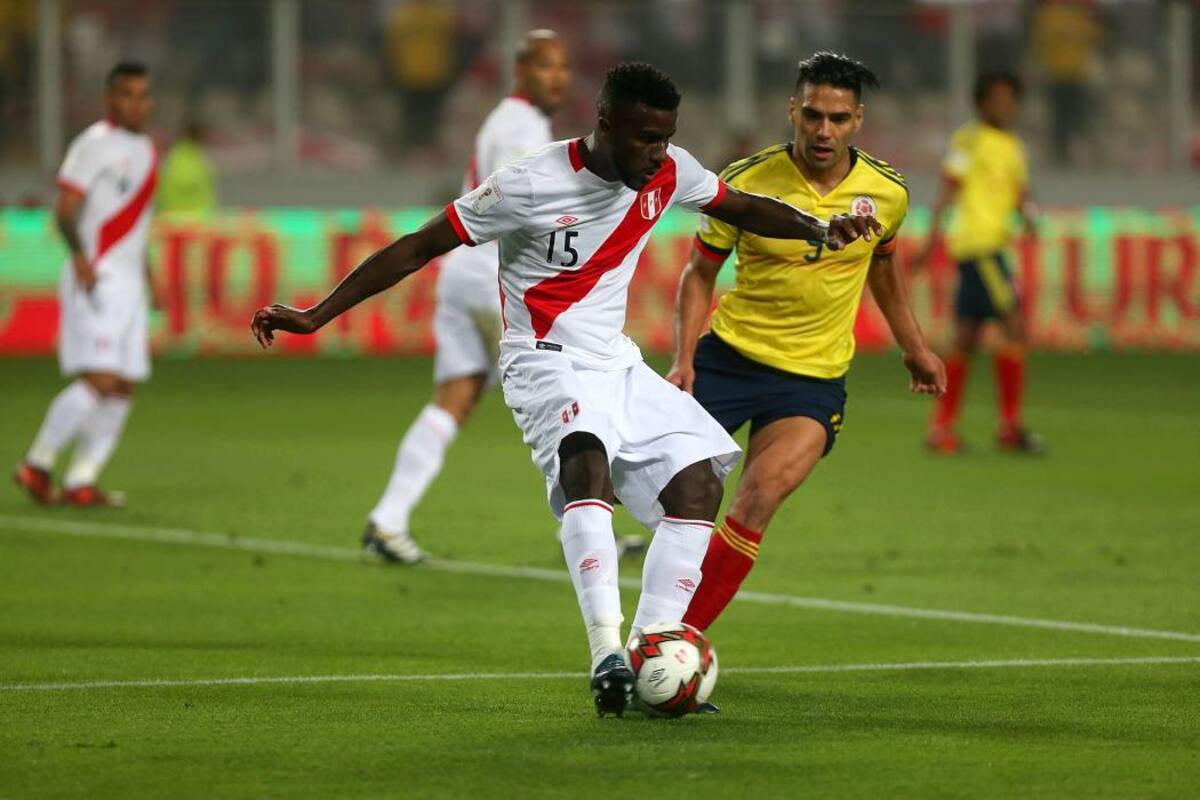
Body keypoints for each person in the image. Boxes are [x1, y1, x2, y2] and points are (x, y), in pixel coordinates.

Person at [251, 62, 880, 716]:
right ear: (605, 123)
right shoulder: (529, 183)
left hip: (616, 360)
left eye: (665, 138)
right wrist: (316, 314)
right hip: (541, 356)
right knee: (588, 459)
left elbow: (742, 206)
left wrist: (816, 227)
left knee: (699, 479)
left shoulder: (668, 171)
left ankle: (653, 646)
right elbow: (418, 246)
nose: (655, 154)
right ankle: (606, 653)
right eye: (643, 138)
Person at [665, 52, 946, 634]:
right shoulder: (746, 181)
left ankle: (675, 640)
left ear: (858, 121)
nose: (823, 131)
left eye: (838, 119)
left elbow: (884, 268)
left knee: (757, 499)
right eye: (813, 114)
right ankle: (650, 601)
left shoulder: (886, 193)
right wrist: (685, 357)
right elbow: (700, 272)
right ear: (792, 110)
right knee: (671, 497)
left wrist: (914, 346)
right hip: (728, 360)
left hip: (812, 380)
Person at [362, 30, 570, 564]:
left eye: (563, 68)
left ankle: (388, 519)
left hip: (461, 272)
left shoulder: (504, 119)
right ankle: (584, 527)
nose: (559, 78)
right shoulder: (522, 127)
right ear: (521, 70)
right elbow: (528, 209)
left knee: (455, 397)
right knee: (561, 396)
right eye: (547, 67)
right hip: (490, 276)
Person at [14, 62, 157, 508]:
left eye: (143, 95)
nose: (137, 103)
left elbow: (138, 224)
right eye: (128, 94)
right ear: (110, 99)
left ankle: (81, 479)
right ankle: (37, 463)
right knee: (101, 378)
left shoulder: (149, 149)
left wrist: (150, 276)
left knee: (124, 385)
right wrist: (79, 256)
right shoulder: (93, 145)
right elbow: (65, 209)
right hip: (98, 276)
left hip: (130, 282)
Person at [918, 71, 1042, 455]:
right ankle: (1009, 426)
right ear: (982, 103)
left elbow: (1020, 193)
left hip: (990, 248)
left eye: (1011, 100)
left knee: (966, 339)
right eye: (999, 99)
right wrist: (930, 239)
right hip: (981, 247)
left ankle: (941, 430)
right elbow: (948, 190)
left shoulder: (1014, 147)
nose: (1006, 106)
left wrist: (1030, 216)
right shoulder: (969, 139)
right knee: (1015, 328)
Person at [158, 119, 216, 214]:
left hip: (174, 217)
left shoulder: (174, 157)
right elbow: (188, 184)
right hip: (192, 218)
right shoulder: (192, 159)